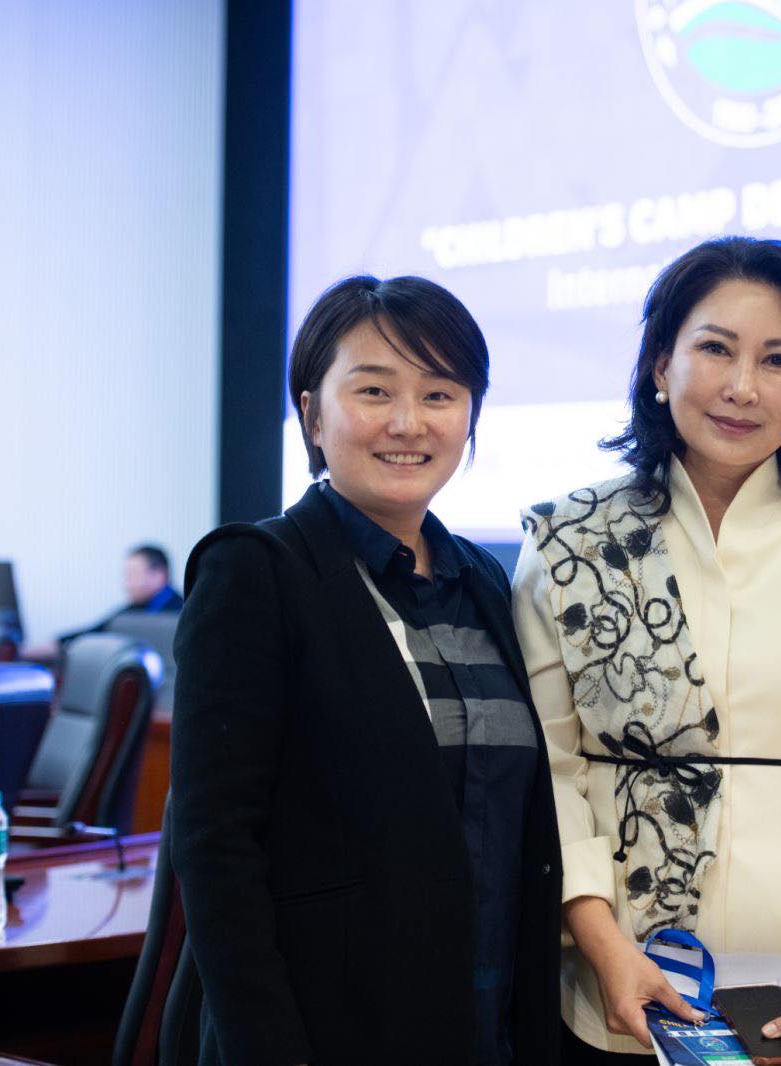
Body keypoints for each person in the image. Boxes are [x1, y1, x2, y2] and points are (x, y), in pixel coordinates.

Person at [512, 236, 781, 1065]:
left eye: (778, 359)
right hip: (617, 983)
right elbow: (550, 768)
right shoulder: (570, 539)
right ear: (660, 364)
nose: (743, 387)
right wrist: (603, 945)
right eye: (715, 349)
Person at [171, 275, 561, 1065]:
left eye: (440, 394)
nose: (408, 423)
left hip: (485, 1025)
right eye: (374, 390)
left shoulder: (485, 583)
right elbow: (215, 848)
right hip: (325, 1031)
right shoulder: (257, 571)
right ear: (313, 414)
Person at [20, 544, 183, 660]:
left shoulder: (178, 612)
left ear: (159, 575)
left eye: (132, 575)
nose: (127, 584)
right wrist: (55, 644)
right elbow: (99, 629)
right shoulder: (135, 610)